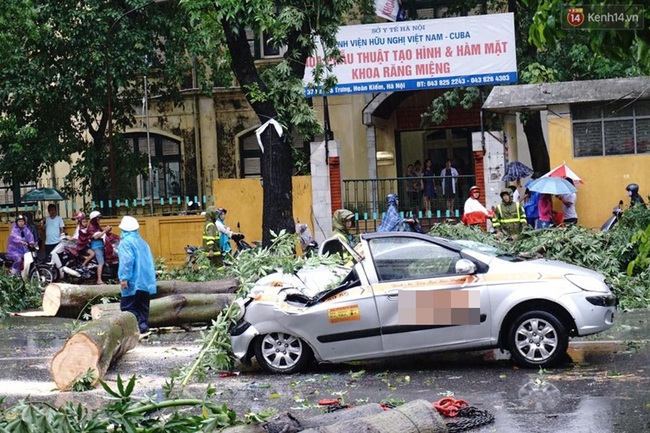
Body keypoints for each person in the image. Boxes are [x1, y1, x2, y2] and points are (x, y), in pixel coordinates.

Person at [117, 215, 157, 336]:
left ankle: (133, 332)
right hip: (146, 282)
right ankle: (143, 329)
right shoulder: (143, 243)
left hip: (133, 282)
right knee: (143, 308)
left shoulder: (126, 243)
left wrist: (124, 278)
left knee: (128, 308)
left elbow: (126, 261)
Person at [87, 211, 112, 285]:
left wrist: (107, 229)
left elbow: (102, 231)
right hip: (96, 247)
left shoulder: (96, 225)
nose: (99, 219)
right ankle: (99, 280)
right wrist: (105, 231)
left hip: (102, 245)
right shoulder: (91, 227)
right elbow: (96, 236)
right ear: (93, 219)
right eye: (97, 218)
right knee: (101, 263)